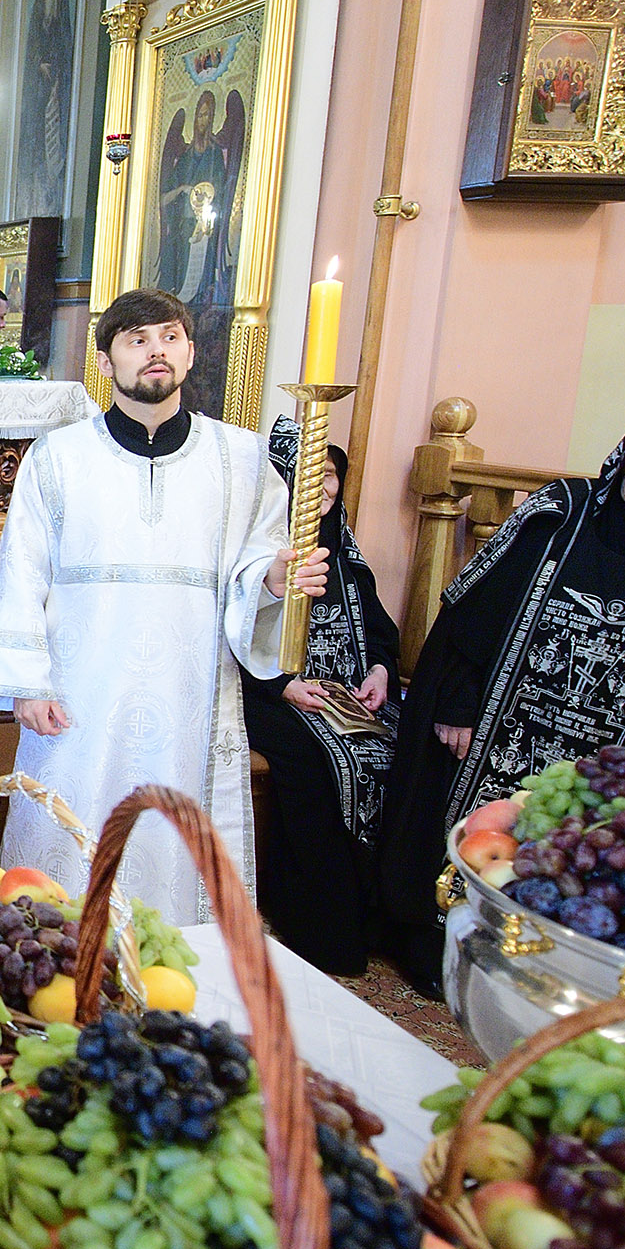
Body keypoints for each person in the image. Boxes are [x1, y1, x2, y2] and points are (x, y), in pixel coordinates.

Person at [375, 379, 625, 992]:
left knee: (582, 852)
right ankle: (437, 940)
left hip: (615, 757)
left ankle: (554, 963)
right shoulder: (562, 514)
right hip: (498, 731)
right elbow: (472, 609)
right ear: (623, 460)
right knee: (477, 839)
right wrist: (457, 698)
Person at [0, 288, 325, 921]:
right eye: (136, 340)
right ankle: (53, 964)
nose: (155, 351)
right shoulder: (59, 457)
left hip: (189, 701)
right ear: (106, 363)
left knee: (172, 852)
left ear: (189, 352)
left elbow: (256, 565)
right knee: (65, 852)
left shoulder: (240, 459)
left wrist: (272, 580)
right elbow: (22, 572)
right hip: (78, 699)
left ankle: (172, 978)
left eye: (170, 337)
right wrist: (26, 683)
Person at [242, 418, 401, 976]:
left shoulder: (345, 549)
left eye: (331, 476)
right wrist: (283, 685)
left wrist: (380, 669)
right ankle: (323, 925)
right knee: (321, 760)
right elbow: (226, 630)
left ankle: (380, 918)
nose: (324, 490)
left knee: (399, 755)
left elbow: (378, 626)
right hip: (265, 695)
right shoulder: (255, 547)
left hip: (347, 692)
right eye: (312, 477)